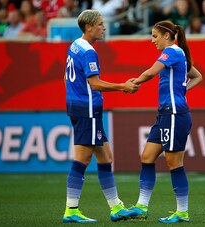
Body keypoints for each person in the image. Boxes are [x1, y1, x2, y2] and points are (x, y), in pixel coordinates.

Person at [62, 9, 139, 223]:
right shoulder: (88, 51)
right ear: (89, 27)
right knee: (82, 159)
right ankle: (71, 210)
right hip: (86, 109)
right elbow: (94, 83)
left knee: (105, 157)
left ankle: (116, 208)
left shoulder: (75, 45)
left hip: (79, 106)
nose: (104, 27)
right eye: (100, 24)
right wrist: (123, 86)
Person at [128, 20, 202, 223]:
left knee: (174, 162)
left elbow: (151, 72)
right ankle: (141, 207)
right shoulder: (179, 54)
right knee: (147, 157)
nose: (152, 40)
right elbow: (197, 76)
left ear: (167, 36)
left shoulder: (172, 52)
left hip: (174, 114)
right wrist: (181, 89)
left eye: (155, 36)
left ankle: (182, 211)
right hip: (165, 114)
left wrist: (131, 83)